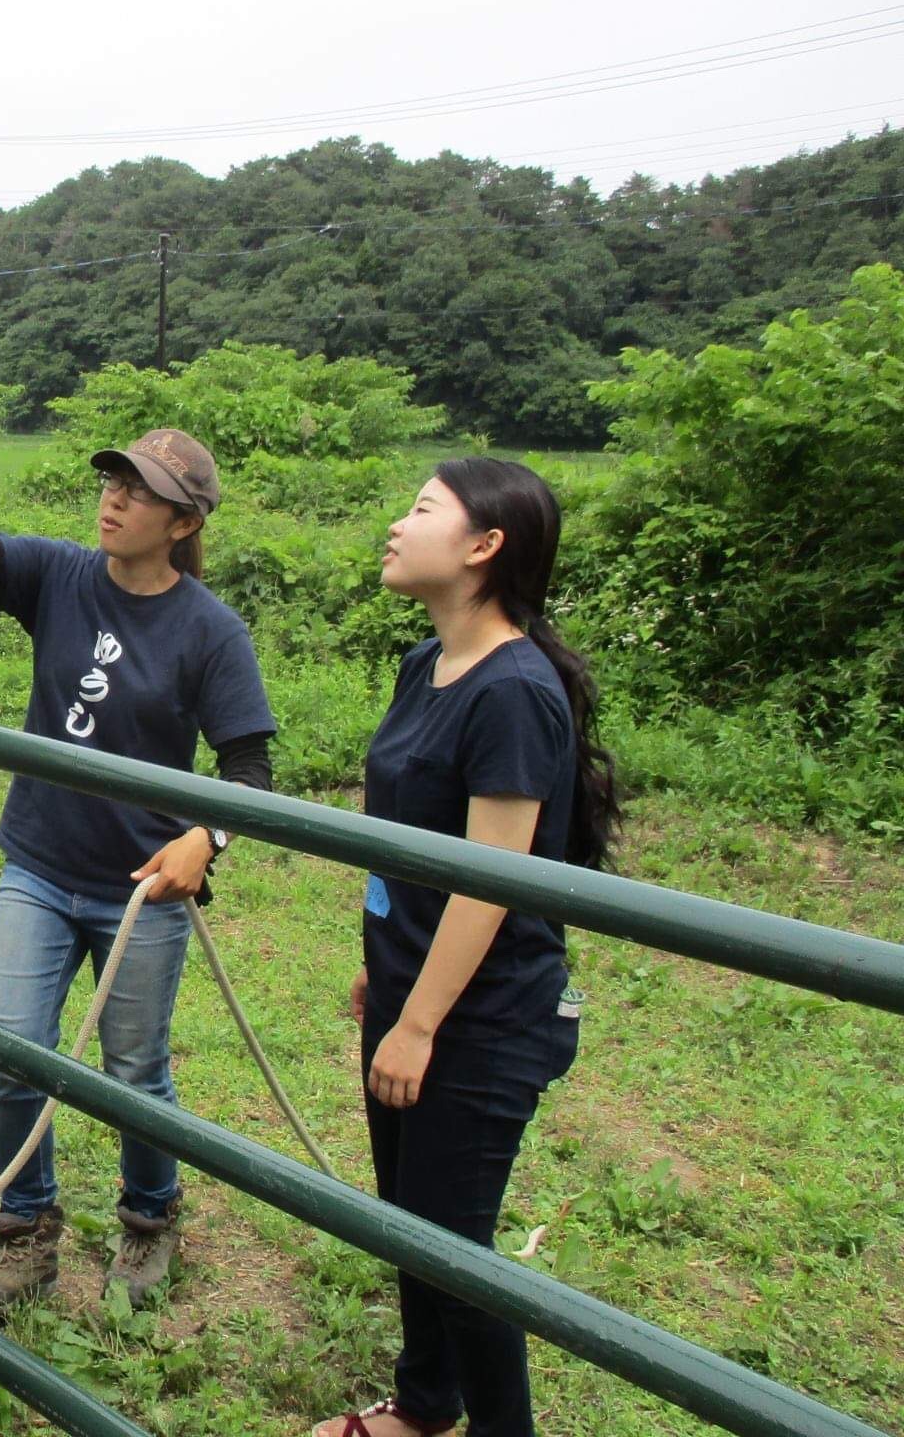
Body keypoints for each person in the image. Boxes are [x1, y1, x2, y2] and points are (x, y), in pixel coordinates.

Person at [0, 358, 276, 1313]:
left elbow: (249, 773)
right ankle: (26, 1232)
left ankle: (151, 1221)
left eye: (140, 494)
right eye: (113, 482)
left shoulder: (210, 632)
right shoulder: (61, 576)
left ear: (182, 525)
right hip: (39, 865)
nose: (115, 501)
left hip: (142, 884)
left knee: (133, 1068)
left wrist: (207, 842)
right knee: (14, 1050)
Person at [316, 458, 621, 1437]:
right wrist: (382, 961)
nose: (396, 526)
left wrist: (417, 1022)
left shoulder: (512, 692)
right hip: (410, 988)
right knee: (410, 1226)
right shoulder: (423, 664)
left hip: (478, 1019)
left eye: (419, 509)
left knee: (455, 1254)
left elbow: (488, 885)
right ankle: (422, 1404)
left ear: (483, 547)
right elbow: (408, 841)